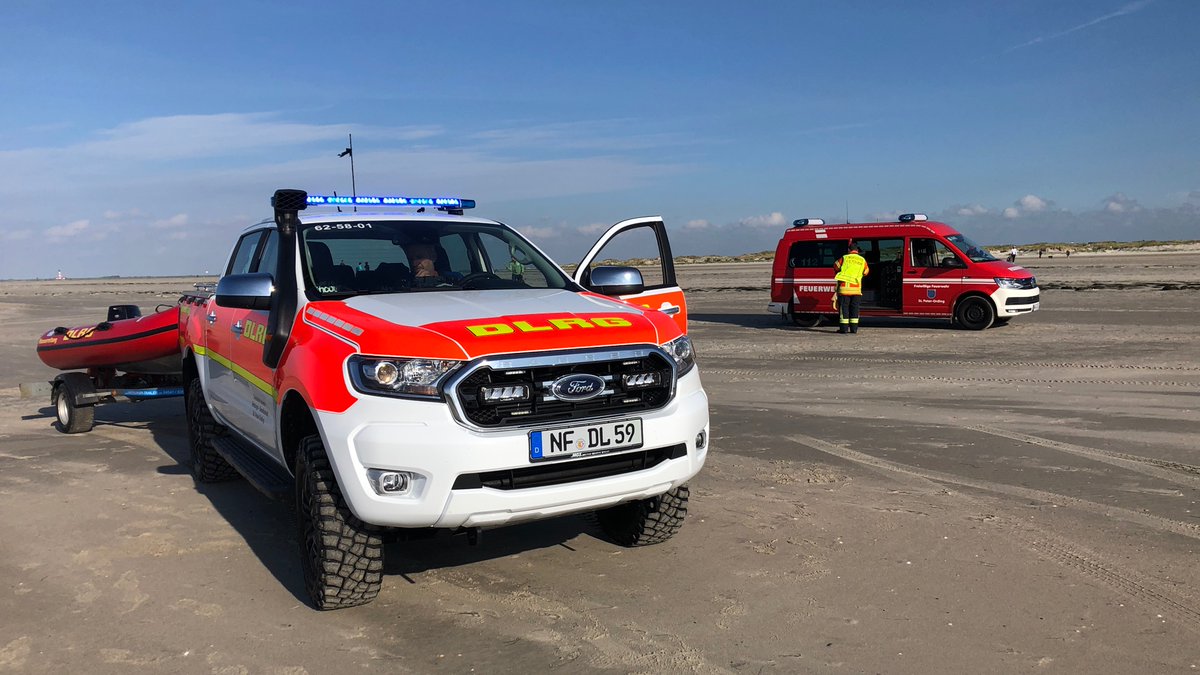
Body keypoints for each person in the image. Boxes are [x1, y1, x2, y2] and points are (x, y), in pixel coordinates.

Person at [834, 242, 869, 334]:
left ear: (849, 250)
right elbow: (866, 272)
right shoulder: (862, 260)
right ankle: (854, 329)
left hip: (844, 289)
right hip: (856, 290)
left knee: (844, 309)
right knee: (854, 309)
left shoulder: (844, 258)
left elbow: (836, 266)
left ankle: (844, 329)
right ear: (857, 250)